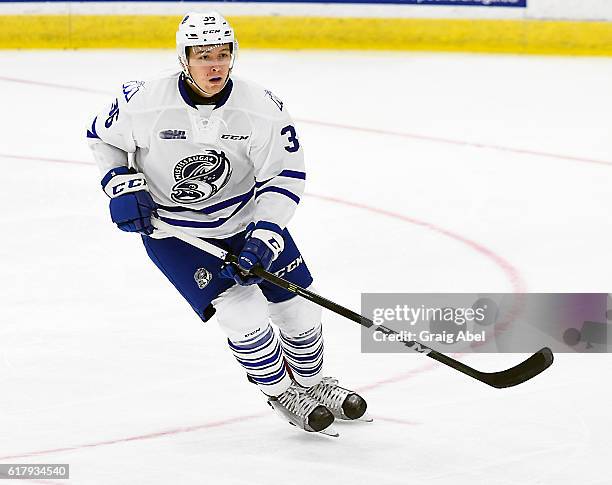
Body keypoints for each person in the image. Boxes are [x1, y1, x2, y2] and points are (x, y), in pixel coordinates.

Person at [86, 11, 368, 436]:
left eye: (223, 54)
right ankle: (281, 393)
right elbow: (103, 140)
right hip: (177, 233)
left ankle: (313, 384)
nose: (214, 65)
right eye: (203, 56)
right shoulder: (142, 101)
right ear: (184, 58)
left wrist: (266, 232)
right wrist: (122, 184)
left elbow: (284, 175)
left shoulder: (261, 107)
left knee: (298, 308)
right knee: (243, 312)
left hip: (245, 220)